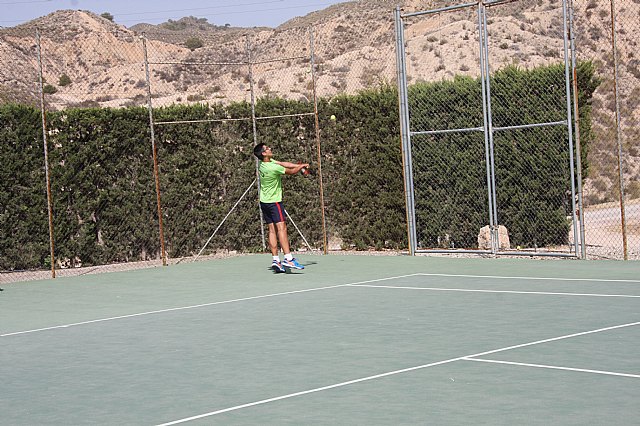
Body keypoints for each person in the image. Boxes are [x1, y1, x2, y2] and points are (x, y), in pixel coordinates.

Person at [253, 143, 308, 272]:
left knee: (272, 230)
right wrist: (300, 167)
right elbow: (291, 171)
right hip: (274, 202)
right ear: (263, 154)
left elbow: (283, 163)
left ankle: (276, 260)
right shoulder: (272, 168)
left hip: (264, 202)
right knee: (281, 228)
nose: (270, 148)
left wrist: (300, 165)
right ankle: (288, 259)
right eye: (267, 149)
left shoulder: (263, 164)